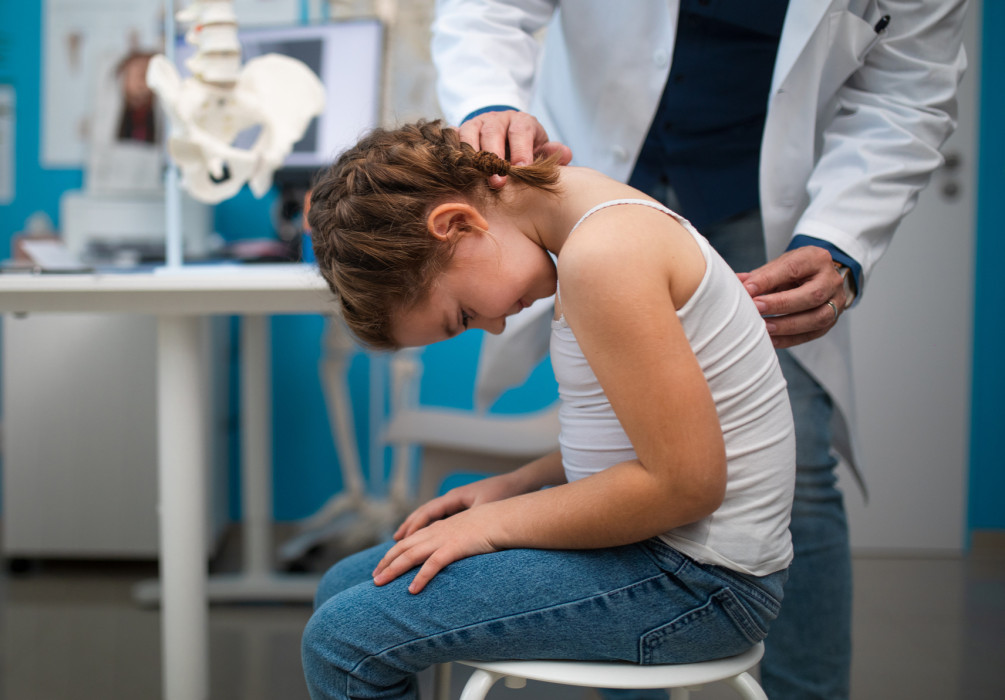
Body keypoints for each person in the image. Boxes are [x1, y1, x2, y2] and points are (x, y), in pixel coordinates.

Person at [430, 2, 967, 698]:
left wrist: (840, 236)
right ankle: (638, 669)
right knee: (623, 441)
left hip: (756, 194)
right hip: (594, 156)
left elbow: (909, 85)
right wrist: (492, 103)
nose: (489, 324)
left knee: (796, 464)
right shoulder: (587, 242)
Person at [301, 121, 796, 700]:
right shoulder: (591, 231)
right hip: (671, 557)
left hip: (698, 583)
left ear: (457, 224)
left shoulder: (606, 257)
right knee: (342, 585)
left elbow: (686, 485)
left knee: (344, 641)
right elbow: (637, 436)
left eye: (461, 314)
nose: (493, 325)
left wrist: (492, 526)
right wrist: (516, 484)